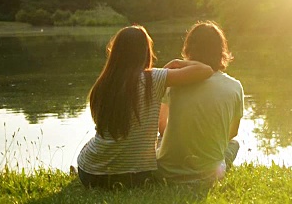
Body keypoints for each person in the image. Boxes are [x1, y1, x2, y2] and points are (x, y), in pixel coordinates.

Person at [76, 25, 213, 189]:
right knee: (163, 140)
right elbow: (205, 70)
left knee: (95, 142)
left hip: (90, 174)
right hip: (135, 177)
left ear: (116, 53)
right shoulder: (153, 79)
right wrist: (177, 62)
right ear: (145, 52)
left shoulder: (102, 85)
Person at [156, 21, 244, 182]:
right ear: (221, 51)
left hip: (167, 171)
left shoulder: (175, 81)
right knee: (234, 144)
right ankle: (212, 166)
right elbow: (232, 133)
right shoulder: (235, 87)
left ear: (189, 49)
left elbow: (162, 127)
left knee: (160, 140)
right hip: (208, 174)